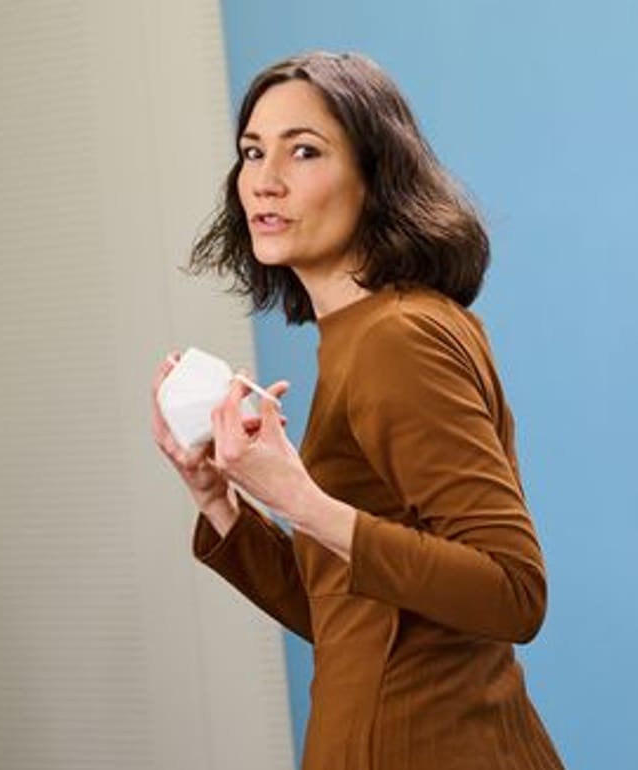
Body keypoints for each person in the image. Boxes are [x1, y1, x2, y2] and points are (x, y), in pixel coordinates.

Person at [149, 51, 564, 770]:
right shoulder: (364, 333)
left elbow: (513, 592)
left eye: (304, 151)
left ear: (376, 176)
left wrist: (302, 502)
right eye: (252, 152)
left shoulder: (394, 339)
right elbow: (349, 619)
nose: (265, 181)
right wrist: (221, 499)